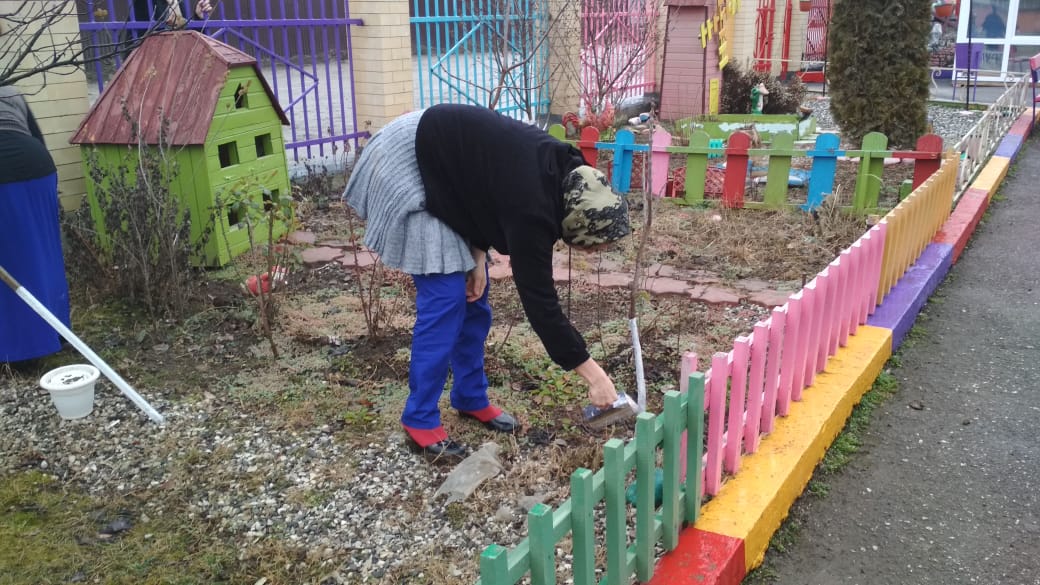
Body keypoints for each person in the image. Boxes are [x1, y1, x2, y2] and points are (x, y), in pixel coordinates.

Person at [343, 104, 631, 459]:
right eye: (596, 244)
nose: (596, 252)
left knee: (473, 299)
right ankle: (419, 419)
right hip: (408, 158)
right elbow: (541, 305)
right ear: (578, 224)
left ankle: (469, 396)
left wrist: (477, 257)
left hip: (451, 166)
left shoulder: (571, 173)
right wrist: (595, 376)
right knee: (445, 297)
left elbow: (486, 187)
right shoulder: (533, 212)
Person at [0, 85, 71, 367]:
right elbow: (37, 137)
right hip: (39, 167)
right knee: (43, 256)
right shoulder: (10, 92)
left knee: (11, 262)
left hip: (6, 177)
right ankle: (56, 331)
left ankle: (21, 353)